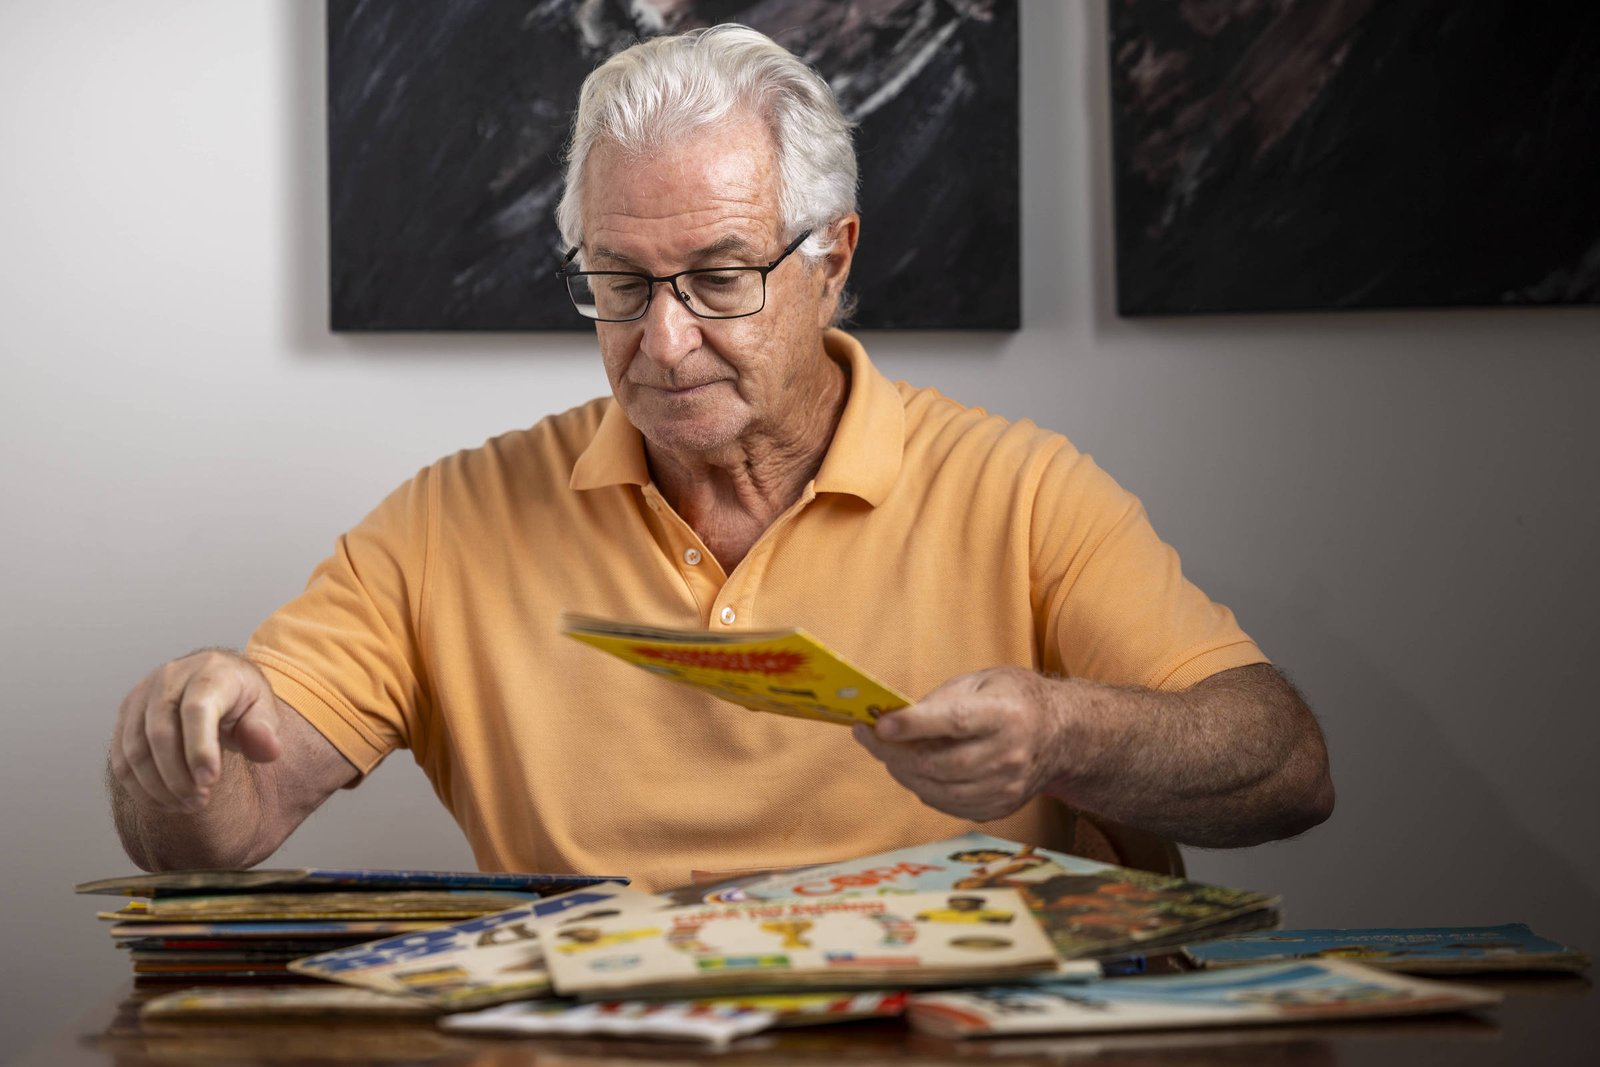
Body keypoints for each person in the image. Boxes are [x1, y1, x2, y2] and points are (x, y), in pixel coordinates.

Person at [107, 25, 1333, 892]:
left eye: (718, 276)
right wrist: (178, 748)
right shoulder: (446, 523)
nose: (664, 338)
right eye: (619, 283)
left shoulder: (1018, 490)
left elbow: (1283, 764)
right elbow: (218, 828)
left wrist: (1062, 729)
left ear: (832, 260)